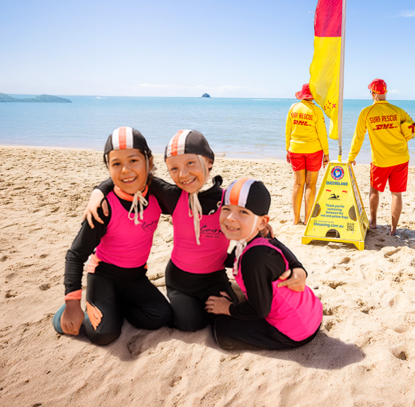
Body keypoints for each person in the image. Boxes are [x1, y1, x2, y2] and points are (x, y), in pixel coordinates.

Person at [83, 129, 308, 332]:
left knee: (226, 319)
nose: (183, 174)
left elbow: (266, 237)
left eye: (191, 163)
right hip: (179, 280)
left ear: (209, 162)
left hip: (214, 278)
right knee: (189, 324)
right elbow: (131, 175)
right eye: (174, 168)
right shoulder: (172, 195)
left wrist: (298, 268)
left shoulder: (228, 202)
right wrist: (98, 191)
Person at [53, 127, 173, 345]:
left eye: (134, 160)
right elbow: (75, 254)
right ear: (108, 167)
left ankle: (114, 306)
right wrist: (72, 303)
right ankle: (61, 315)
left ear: (148, 160)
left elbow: (186, 198)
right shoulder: (103, 207)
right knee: (103, 334)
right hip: (103, 276)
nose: (126, 170)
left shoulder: (158, 196)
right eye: (116, 163)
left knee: (161, 316)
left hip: (135, 277)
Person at [205, 178, 323, 351]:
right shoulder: (262, 237)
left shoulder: (254, 259)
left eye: (243, 212)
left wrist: (227, 308)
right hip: (312, 314)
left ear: (261, 222)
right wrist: (298, 266)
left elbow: (260, 310)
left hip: (294, 333)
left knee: (222, 329)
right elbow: (278, 246)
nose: (230, 218)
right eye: (226, 209)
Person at [348, 79, 415, 235]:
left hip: (380, 160)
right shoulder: (398, 111)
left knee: (374, 190)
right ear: (385, 92)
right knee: (396, 194)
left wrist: (352, 156)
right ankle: (393, 229)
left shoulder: (366, 112)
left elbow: (358, 137)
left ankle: (373, 222)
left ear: (373, 94)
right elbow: (411, 129)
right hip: (401, 157)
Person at [284, 83, 330, 224]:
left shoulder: (293, 108)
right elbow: (322, 134)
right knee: (311, 184)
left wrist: (288, 148)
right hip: (314, 151)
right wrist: (326, 153)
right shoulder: (316, 111)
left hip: (295, 149)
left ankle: (295, 219)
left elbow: (288, 130)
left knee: (298, 184)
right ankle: (307, 219)